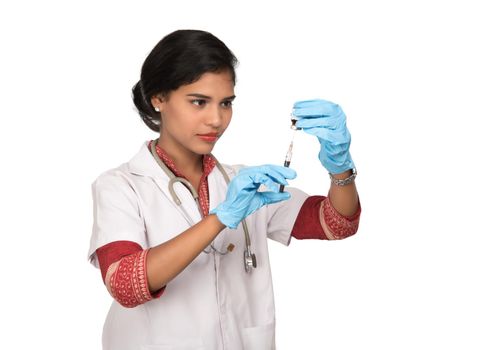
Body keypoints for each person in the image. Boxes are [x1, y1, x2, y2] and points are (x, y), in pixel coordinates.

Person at [88, 29, 361, 350]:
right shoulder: (122, 185)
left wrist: (339, 165)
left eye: (226, 103)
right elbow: (124, 284)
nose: (216, 119)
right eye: (199, 102)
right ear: (158, 98)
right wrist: (221, 217)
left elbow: (337, 223)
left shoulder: (242, 184)